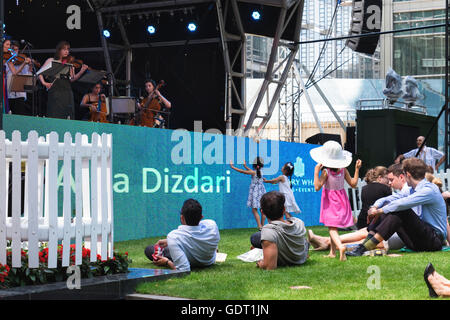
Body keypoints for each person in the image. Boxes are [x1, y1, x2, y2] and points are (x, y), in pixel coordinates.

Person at [346, 158, 447, 257]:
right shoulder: (412, 189)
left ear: (407, 174)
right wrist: (374, 207)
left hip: (433, 241)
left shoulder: (429, 190)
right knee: (390, 207)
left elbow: (402, 204)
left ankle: (364, 248)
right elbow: (390, 199)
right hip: (418, 241)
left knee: (400, 210)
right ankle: (363, 247)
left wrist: (380, 211)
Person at [311, 140, 362, 261]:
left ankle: (340, 247)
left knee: (332, 228)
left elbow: (317, 187)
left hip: (330, 202)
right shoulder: (343, 170)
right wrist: (357, 169)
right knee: (333, 227)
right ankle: (332, 252)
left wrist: (316, 171)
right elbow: (353, 184)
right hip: (342, 201)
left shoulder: (325, 172)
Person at [144, 199, 220, 272]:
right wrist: (168, 241)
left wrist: (167, 262)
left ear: (182, 217)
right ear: (201, 217)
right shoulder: (212, 225)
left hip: (191, 261)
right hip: (208, 261)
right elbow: (193, 233)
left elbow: (184, 270)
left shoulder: (174, 236)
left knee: (149, 249)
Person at [249, 191, 308, 270]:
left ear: (262, 212)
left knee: (255, 237)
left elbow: (270, 266)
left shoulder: (268, 231)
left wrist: (260, 263)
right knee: (257, 237)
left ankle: (265, 248)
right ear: (284, 209)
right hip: (301, 258)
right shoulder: (299, 223)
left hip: (288, 259)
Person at [37, 41, 89, 119]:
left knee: (67, 114)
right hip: (56, 90)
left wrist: (81, 71)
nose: (66, 51)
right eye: (64, 49)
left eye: (68, 49)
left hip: (67, 91)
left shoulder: (68, 63)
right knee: (55, 113)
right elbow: (39, 73)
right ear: (59, 50)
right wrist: (44, 83)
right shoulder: (51, 60)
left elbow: (72, 79)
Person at [230, 157, 266, 230]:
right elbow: (250, 171)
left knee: (254, 209)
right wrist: (245, 166)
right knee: (263, 209)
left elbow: (243, 171)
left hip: (256, 191)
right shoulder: (260, 171)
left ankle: (259, 226)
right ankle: (262, 225)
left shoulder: (254, 172)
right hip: (262, 190)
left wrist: (233, 167)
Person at [3, 39, 32, 115]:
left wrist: (24, 63)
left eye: (9, 45)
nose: (9, 47)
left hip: (5, 86)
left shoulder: (8, 59)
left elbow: (15, 72)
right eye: (7, 45)